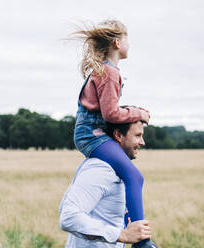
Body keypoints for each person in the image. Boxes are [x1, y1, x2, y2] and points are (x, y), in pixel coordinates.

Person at [69, 19, 158, 248]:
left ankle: (132, 229)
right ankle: (142, 242)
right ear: (118, 43)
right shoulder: (109, 72)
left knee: (123, 176)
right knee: (134, 176)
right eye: (128, 39)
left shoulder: (107, 71)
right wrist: (139, 113)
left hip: (92, 132)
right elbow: (110, 114)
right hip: (94, 134)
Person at [60, 120, 155, 247]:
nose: (142, 142)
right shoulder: (100, 169)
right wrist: (122, 235)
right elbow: (69, 216)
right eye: (137, 136)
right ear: (118, 135)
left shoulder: (119, 170)